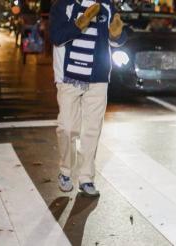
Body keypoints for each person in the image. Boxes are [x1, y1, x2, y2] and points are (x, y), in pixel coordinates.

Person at [49, 0, 128, 197]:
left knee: (92, 129)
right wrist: (79, 23)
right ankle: (66, 171)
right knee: (67, 127)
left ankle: (86, 178)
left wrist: (117, 35)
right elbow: (56, 37)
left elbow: (116, 40)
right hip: (69, 78)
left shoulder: (107, 6)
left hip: (98, 78)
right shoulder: (63, 5)